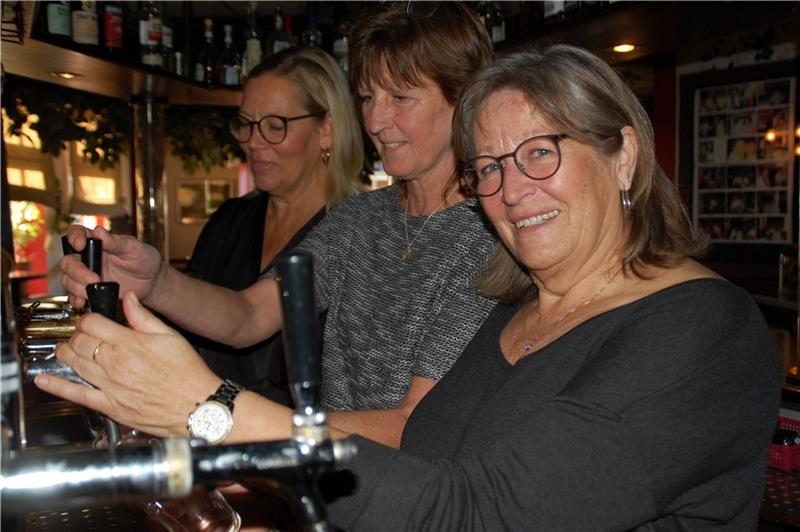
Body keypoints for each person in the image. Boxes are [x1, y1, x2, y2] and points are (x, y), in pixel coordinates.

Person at [318, 45, 779, 529]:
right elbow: (429, 468)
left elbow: (475, 514)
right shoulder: (510, 312)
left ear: (624, 156)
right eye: (491, 167)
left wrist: (255, 436)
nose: (511, 192)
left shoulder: (702, 329)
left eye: (539, 152)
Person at [41, 2, 496, 448]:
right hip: (334, 493)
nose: (376, 120)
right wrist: (154, 280)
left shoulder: (489, 236)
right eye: (366, 97)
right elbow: (250, 315)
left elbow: (414, 427)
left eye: (400, 97)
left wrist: (220, 415)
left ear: (465, 99)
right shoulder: (361, 218)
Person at [182, 47, 364, 405]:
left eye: (274, 126)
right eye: (247, 124)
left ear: (326, 129)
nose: (253, 141)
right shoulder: (228, 222)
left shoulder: (357, 230)